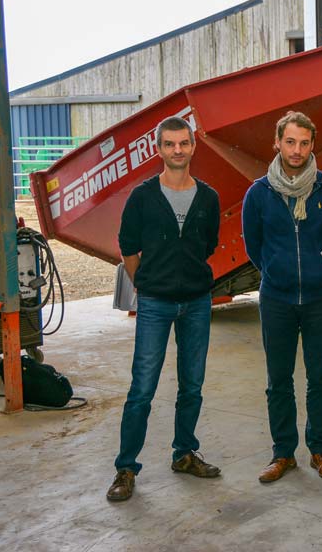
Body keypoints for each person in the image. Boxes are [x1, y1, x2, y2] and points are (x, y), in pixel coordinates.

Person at [107, 116, 222, 502]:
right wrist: (146, 282)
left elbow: (207, 245)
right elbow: (127, 248)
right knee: (142, 387)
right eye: (170, 144)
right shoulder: (142, 197)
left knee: (192, 384)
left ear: (193, 147)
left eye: (183, 144)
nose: (177, 150)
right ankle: (126, 467)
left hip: (197, 301)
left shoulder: (208, 197)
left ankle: (184, 453)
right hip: (155, 303)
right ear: (159, 150)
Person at [242, 111, 322, 484]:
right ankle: (283, 454)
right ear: (277, 143)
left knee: (321, 377)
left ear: (312, 145)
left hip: (321, 298)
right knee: (279, 379)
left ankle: (320, 450)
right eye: (290, 141)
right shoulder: (259, 194)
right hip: (277, 299)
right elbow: (254, 246)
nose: (297, 150)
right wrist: (274, 269)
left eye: (304, 143)